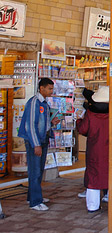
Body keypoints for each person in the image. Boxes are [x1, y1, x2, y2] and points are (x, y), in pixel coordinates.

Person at [18, 78, 60, 211]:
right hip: (34, 141)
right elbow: (30, 125)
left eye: (52, 89)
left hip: (43, 139)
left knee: (39, 170)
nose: (51, 91)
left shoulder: (44, 103)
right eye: (49, 88)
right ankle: (35, 202)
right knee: (35, 170)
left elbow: (42, 123)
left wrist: (52, 123)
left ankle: (33, 196)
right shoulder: (34, 103)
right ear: (41, 88)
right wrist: (36, 144)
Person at [76, 86, 109, 213]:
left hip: (95, 149)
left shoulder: (90, 113)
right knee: (111, 173)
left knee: (94, 175)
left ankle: (93, 205)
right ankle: (111, 197)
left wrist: (79, 121)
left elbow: (83, 129)